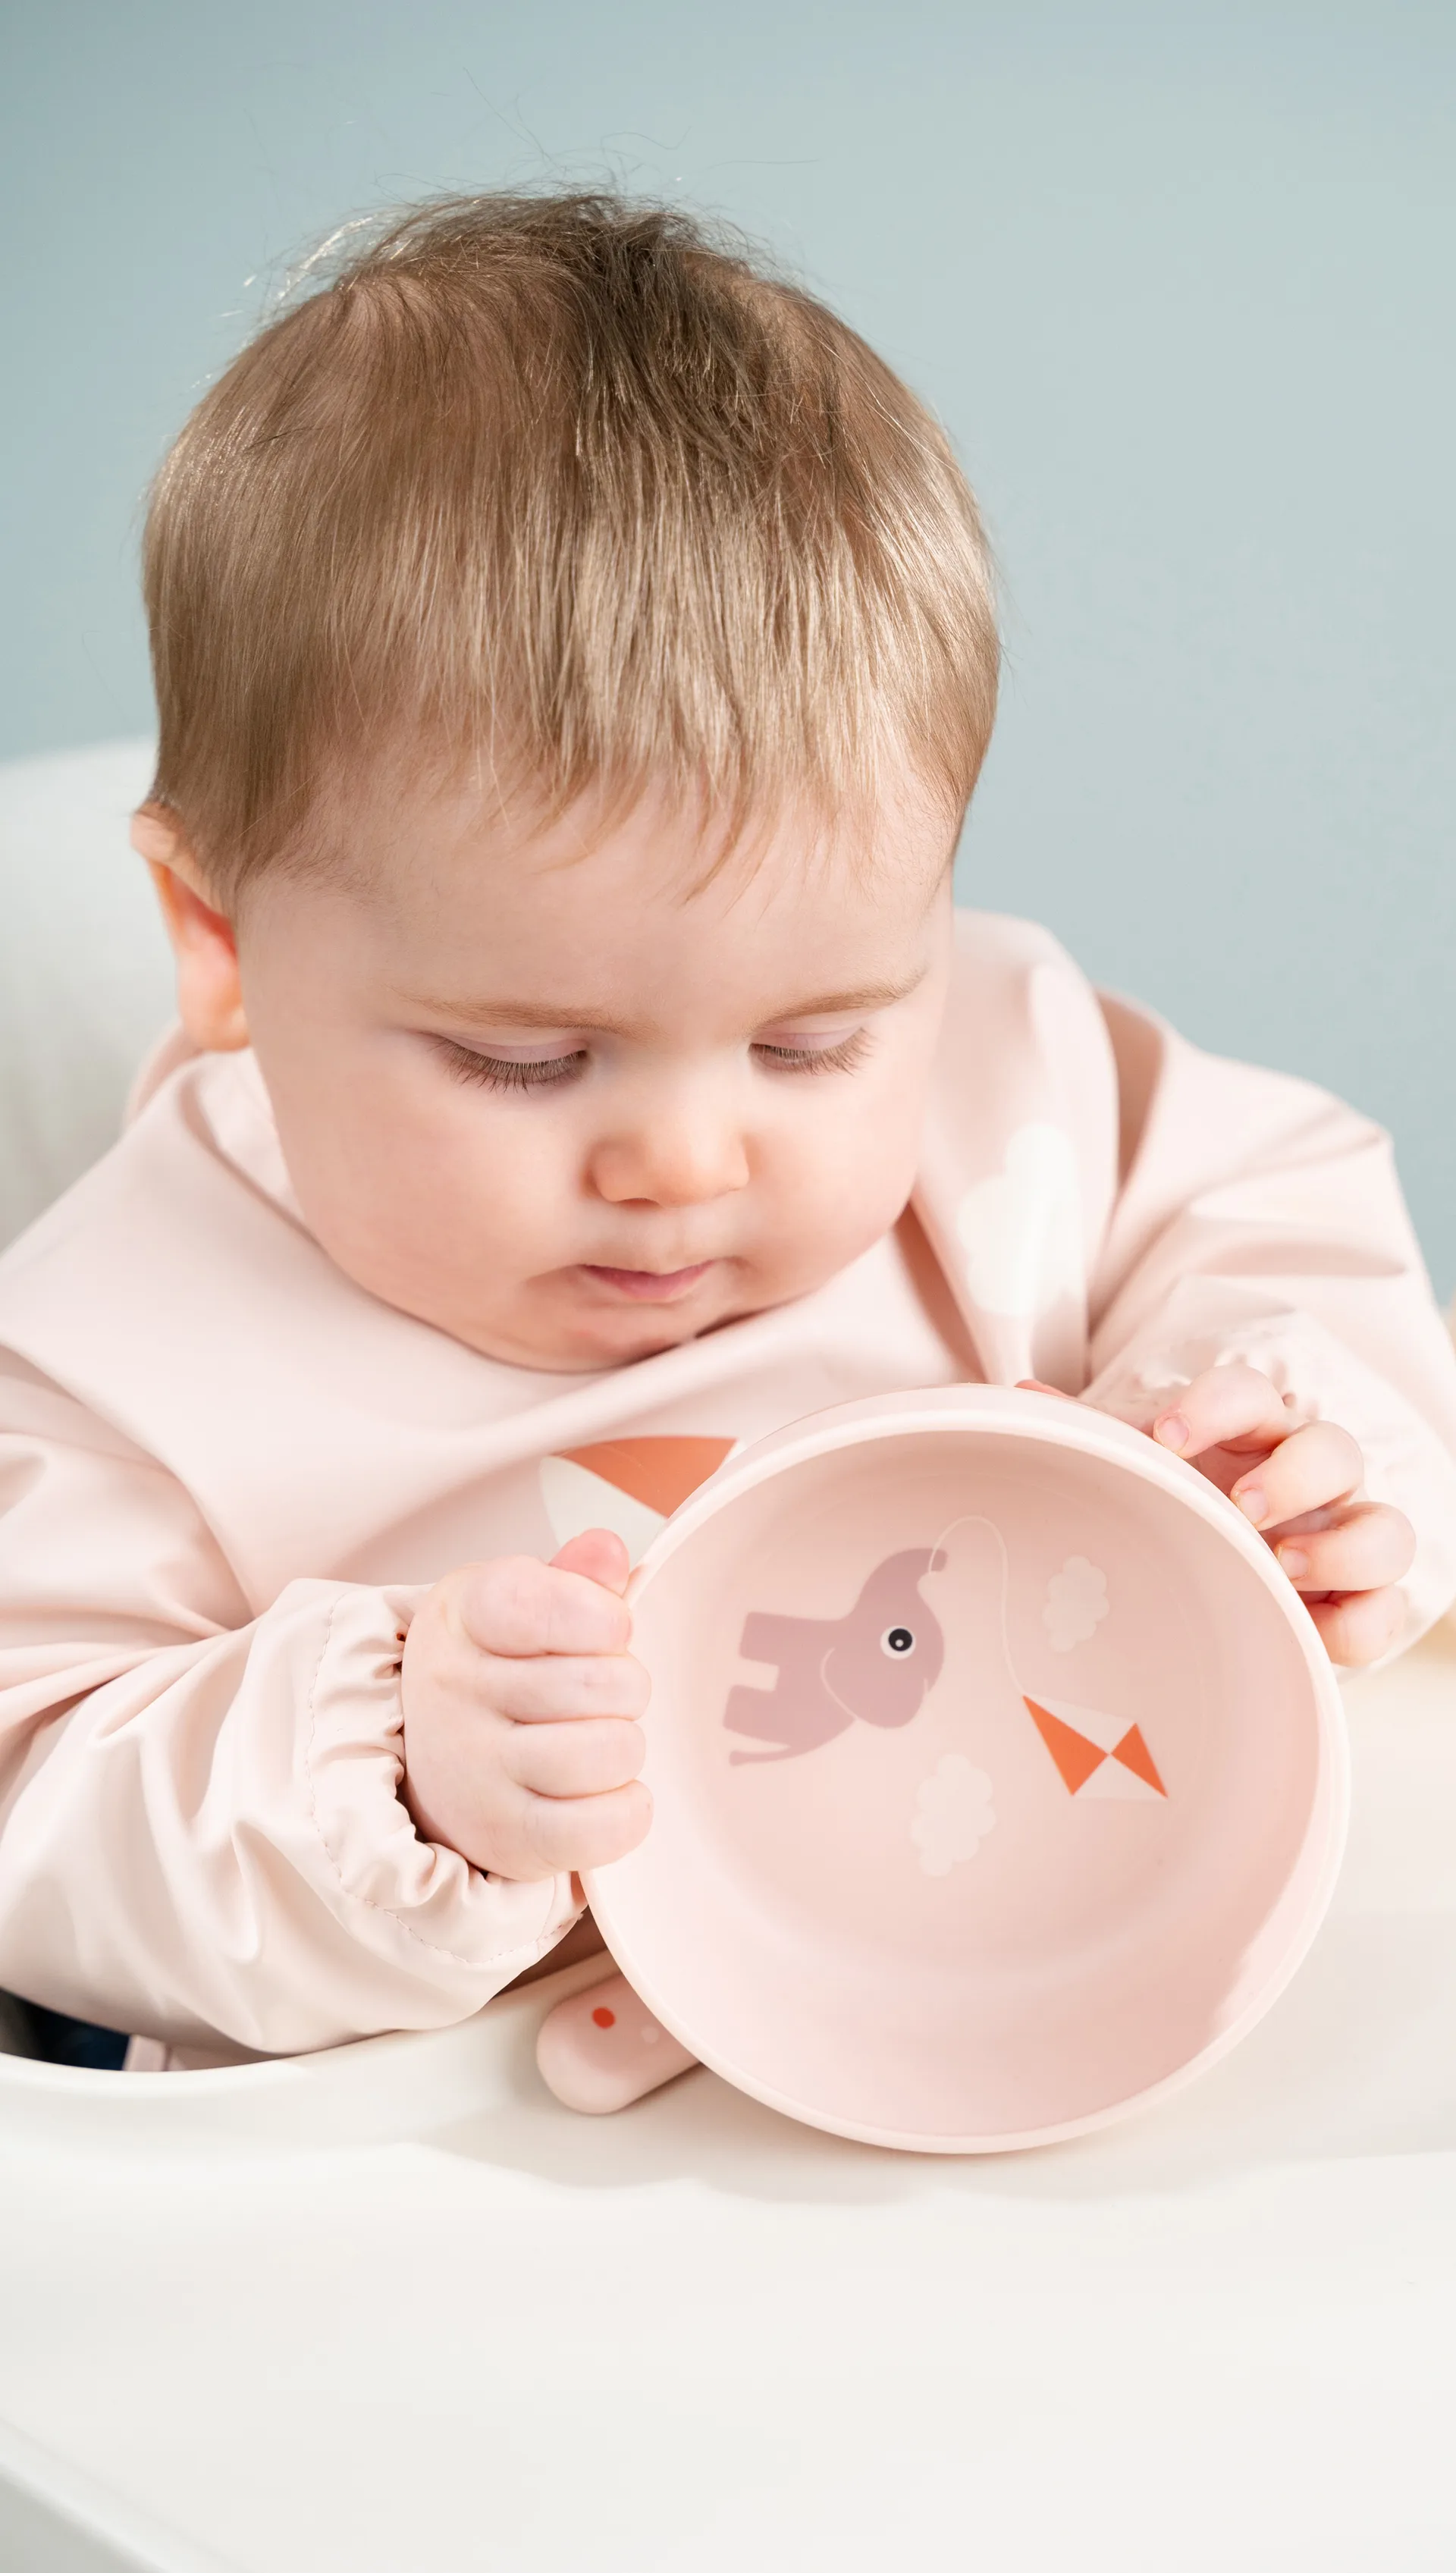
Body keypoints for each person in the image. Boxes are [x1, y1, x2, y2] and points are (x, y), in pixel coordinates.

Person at [2, 192, 1454, 2066]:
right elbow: (39, 1795)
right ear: (219, 946)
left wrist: (1295, 1437)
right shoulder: (113, 1355)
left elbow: (1281, 1210)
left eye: (811, 1039)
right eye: (530, 1062)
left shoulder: (1013, 1072)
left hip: (1076, 1994)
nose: (688, 1161)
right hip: (496, 2210)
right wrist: (393, 1768)